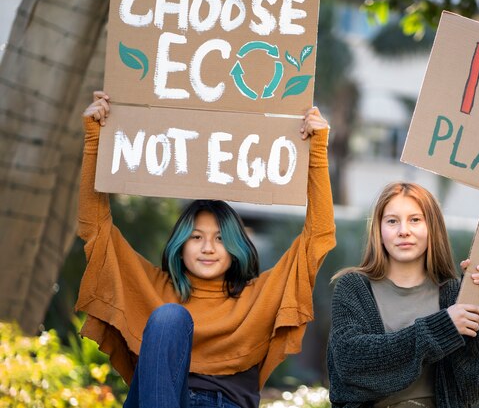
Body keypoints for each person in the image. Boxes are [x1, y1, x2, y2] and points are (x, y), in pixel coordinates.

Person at [76, 91, 336, 408]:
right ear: (181, 244)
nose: (208, 248)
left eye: (220, 238)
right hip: (158, 399)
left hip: (223, 402)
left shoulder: (258, 296)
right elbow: (95, 227)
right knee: (171, 317)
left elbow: (318, 236)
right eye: (197, 237)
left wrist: (318, 150)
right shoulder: (152, 286)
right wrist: (94, 139)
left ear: (236, 246)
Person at [326, 182, 479, 408]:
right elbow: (350, 362)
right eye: (392, 221)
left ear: (432, 227)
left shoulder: (454, 295)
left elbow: (474, 385)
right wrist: (443, 327)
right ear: (378, 229)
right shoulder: (354, 288)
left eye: (415, 220)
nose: (403, 231)